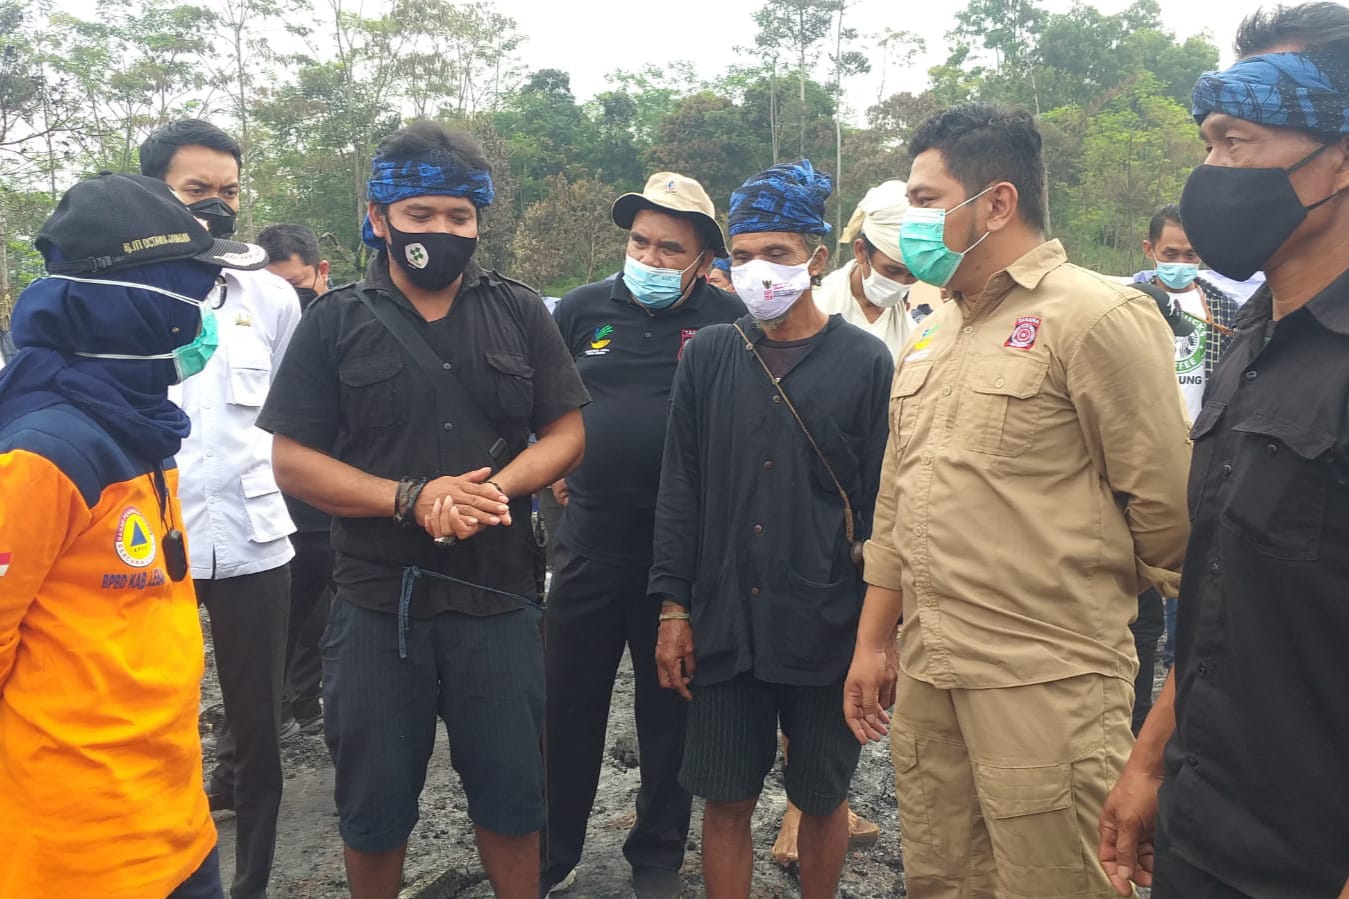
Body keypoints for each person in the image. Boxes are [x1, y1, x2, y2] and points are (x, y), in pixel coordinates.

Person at [844, 104, 1191, 898]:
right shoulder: (936, 329)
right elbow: (897, 502)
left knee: (1058, 885)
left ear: (996, 203)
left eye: (927, 200)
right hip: (932, 679)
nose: (911, 221)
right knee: (942, 878)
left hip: (1047, 684)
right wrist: (873, 641)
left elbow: (1173, 522)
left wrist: (1166, 727)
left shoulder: (1095, 316)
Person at [256, 120, 588, 899]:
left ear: (478, 222)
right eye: (421, 215)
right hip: (375, 606)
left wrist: (491, 490)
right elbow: (292, 458)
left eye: (459, 217)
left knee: (513, 798)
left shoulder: (517, 312)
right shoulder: (333, 321)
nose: (441, 231)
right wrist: (411, 498)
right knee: (372, 807)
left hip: (499, 601)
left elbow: (566, 430)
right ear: (379, 218)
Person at [1099, 7, 1349, 897]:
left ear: (1341, 157)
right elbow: (1218, 594)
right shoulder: (1245, 337)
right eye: (1207, 143)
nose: (1210, 174)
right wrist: (1149, 760)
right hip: (1204, 823)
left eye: (1236, 140)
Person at [0, 172, 269, 898]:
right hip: (79, 853)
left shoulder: (139, 431)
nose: (210, 311)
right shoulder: (43, 454)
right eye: (201, 287)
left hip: (171, 822)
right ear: (142, 306)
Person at [650, 159, 893, 899]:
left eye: (777, 254)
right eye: (744, 254)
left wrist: (878, 639)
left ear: (815, 259)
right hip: (725, 617)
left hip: (823, 618)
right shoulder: (711, 355)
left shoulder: (862, 361)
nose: (758, 270)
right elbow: (680, 484)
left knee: (821, 797)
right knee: (724, 798)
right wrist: (673, 606)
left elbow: (884, 504)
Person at [542, 172, 744, 899]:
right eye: (640, 242)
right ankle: (552, 850)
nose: (651, 259)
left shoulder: (730, 320)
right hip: (589, 542)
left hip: (681, 559)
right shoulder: (582, 308)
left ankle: (656, 855)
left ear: (701, 258)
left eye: (669, 248)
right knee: (566, 707)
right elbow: (548, 401)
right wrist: (551, 482)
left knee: (669, 714)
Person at [142, 118, 301, 899]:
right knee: (155, 713)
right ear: (153, 194)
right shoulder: (119, 299)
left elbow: (291, 415)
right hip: (147, 544)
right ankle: (164, 869)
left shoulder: (269, 297)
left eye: (228, 191)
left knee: (258, 727)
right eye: (195, 190)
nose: (216, 206)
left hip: (253, 536)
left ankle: (254, 882)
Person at [1136, 204, 1243, 682]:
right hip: (1138, 459)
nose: (1180, 262)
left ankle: (1178, 676)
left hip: (1201, 457)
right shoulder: (1127, 304)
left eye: (1191, 254)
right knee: (1136, 577)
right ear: (1150, 250)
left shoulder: (1225, 309)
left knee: (1192, 574)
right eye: (1170, 252)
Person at [257, 223, 333, 735]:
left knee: (331, 611)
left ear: (321, 272)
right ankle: (278, 706)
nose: (287, 299)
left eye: (297, 284)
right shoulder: (256, 326)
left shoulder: (347, 319)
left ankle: (309, 700)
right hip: (283, 494)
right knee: (290, 605)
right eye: (274, 288)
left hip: (348, 489)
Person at [814, 180, 918, 361]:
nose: (900, 283)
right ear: (861, 251)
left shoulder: (911, 332)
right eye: (892, 270)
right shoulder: (818, 308)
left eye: (912, 275)